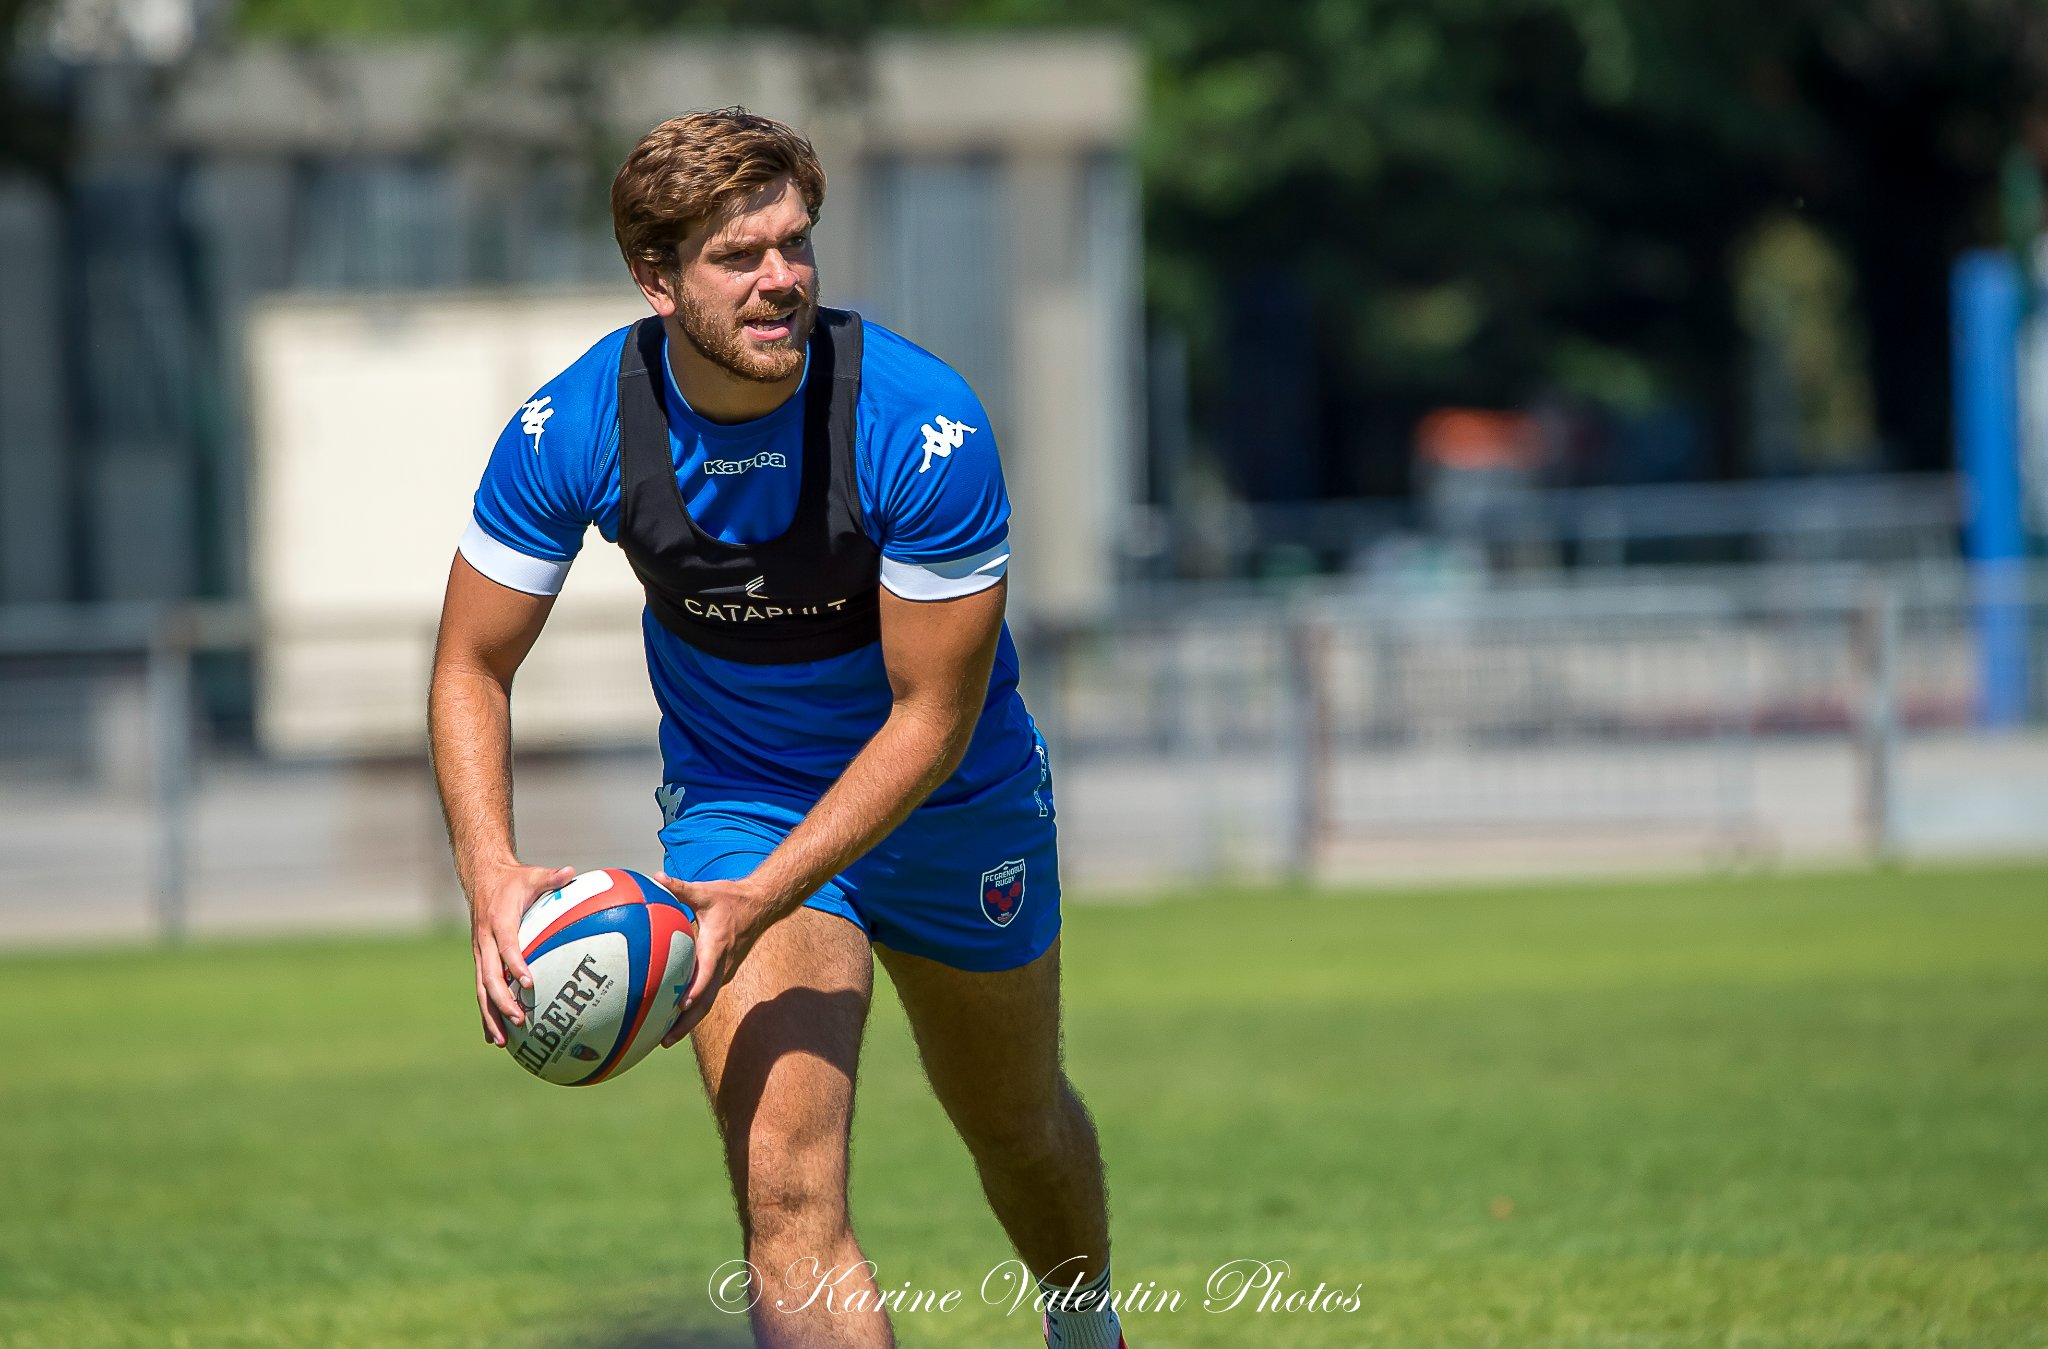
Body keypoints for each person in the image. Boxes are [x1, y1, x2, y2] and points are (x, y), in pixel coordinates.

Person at [427, 108, 1127, 1349]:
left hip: (953, 798)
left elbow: (932, 714)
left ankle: (1087, 1329)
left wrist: (753, 895)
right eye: (736, 256)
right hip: (743, 793)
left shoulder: (920, 424)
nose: (780, 280)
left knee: (1013, 1124)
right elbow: (471, 662)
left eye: (794, 245)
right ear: (655, 280)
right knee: (786, 1187)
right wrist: (489, 874)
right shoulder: (576, 425)